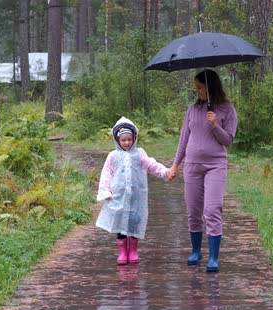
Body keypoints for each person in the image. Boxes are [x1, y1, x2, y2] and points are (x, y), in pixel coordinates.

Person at [167, 69, 237, 272]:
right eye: (196, 88)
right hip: (192, 167)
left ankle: (213, 257)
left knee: (212, 209)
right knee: (194, 211)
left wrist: (215, 124)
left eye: (199, 87)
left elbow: (229, 140)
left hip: (216, 165)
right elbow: (183, 139)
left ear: (210, 86)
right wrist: (175, 164)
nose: (197, 91)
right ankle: (196, 251)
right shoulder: (192, 110)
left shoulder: (227, 110)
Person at [96, 117, 170, 265]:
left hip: (137, 196)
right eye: (123, 140)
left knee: (135, 221)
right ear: (117, 140)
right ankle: (123, 252)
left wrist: (164, 172)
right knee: (120, 223)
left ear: (134, 138)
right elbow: (106, 173)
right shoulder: (113, 156)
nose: (127, 143)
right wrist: (105, 190)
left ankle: (133, 250)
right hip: (118, 196)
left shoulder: (139, 154)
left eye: (129, 139)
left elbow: (151, 165)